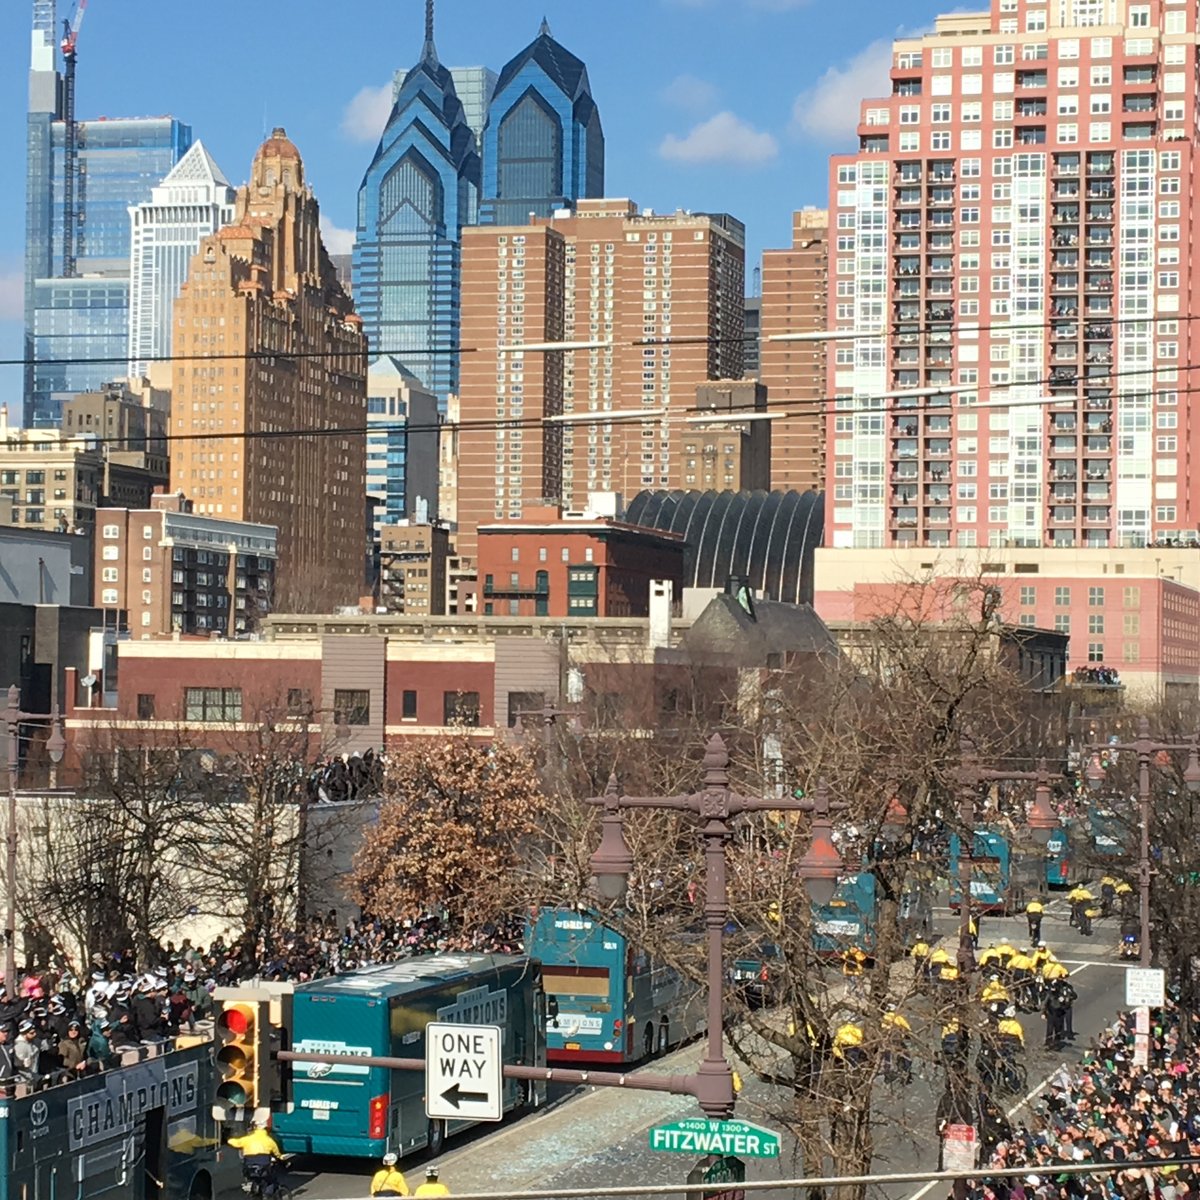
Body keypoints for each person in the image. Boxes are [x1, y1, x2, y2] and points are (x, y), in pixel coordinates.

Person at [228, 1117, 283, 1197]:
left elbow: (236, 1142)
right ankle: (267, 1195)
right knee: (271, 1180)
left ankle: (255, 1193)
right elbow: (277, 1154)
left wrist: (227, 1139)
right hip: (263, 1167)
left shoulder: (247, 1139)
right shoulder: (269, 1140)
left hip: (249, 1168)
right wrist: (283, 1161)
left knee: (255, 1179)